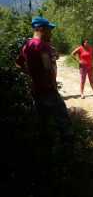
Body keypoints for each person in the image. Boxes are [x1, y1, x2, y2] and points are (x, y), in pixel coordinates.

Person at [15, 16, 72, 144]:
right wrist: (53, 86)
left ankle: (45, 149)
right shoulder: (42, 46)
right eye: (48, 29)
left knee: (43, 122)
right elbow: (48, 69)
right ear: (40, 29)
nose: (50, 32)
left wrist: (30, 74)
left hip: (35, 90)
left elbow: (18, 63)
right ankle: (69, 149)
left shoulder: (27, 45)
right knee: (63, 120)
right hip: (48, 90)